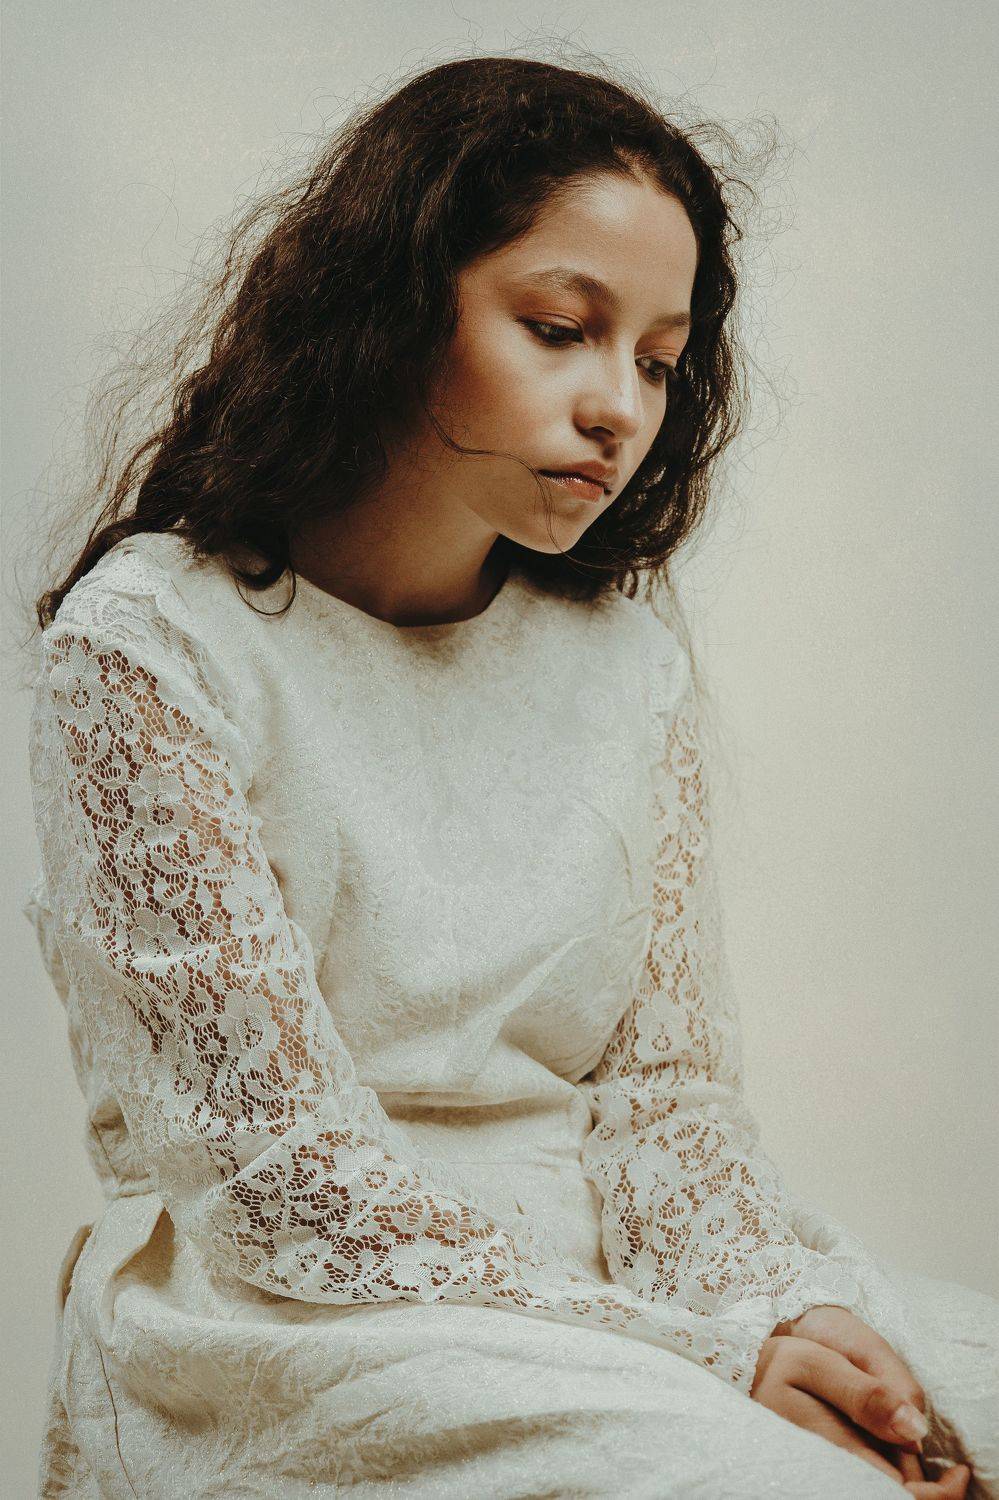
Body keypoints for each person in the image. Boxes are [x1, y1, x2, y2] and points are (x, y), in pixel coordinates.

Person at [19, 55, 996, 1500]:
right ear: (394, 302)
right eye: (559, 329)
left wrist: (774, 1310)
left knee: (963, 1405)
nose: (619, 407)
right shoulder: (154, 641)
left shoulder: (621, 659)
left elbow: (667, 1101)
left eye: (658, 361)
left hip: (614, 1268)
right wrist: (713, 1358)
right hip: (301, 1310)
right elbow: (274, 1186)